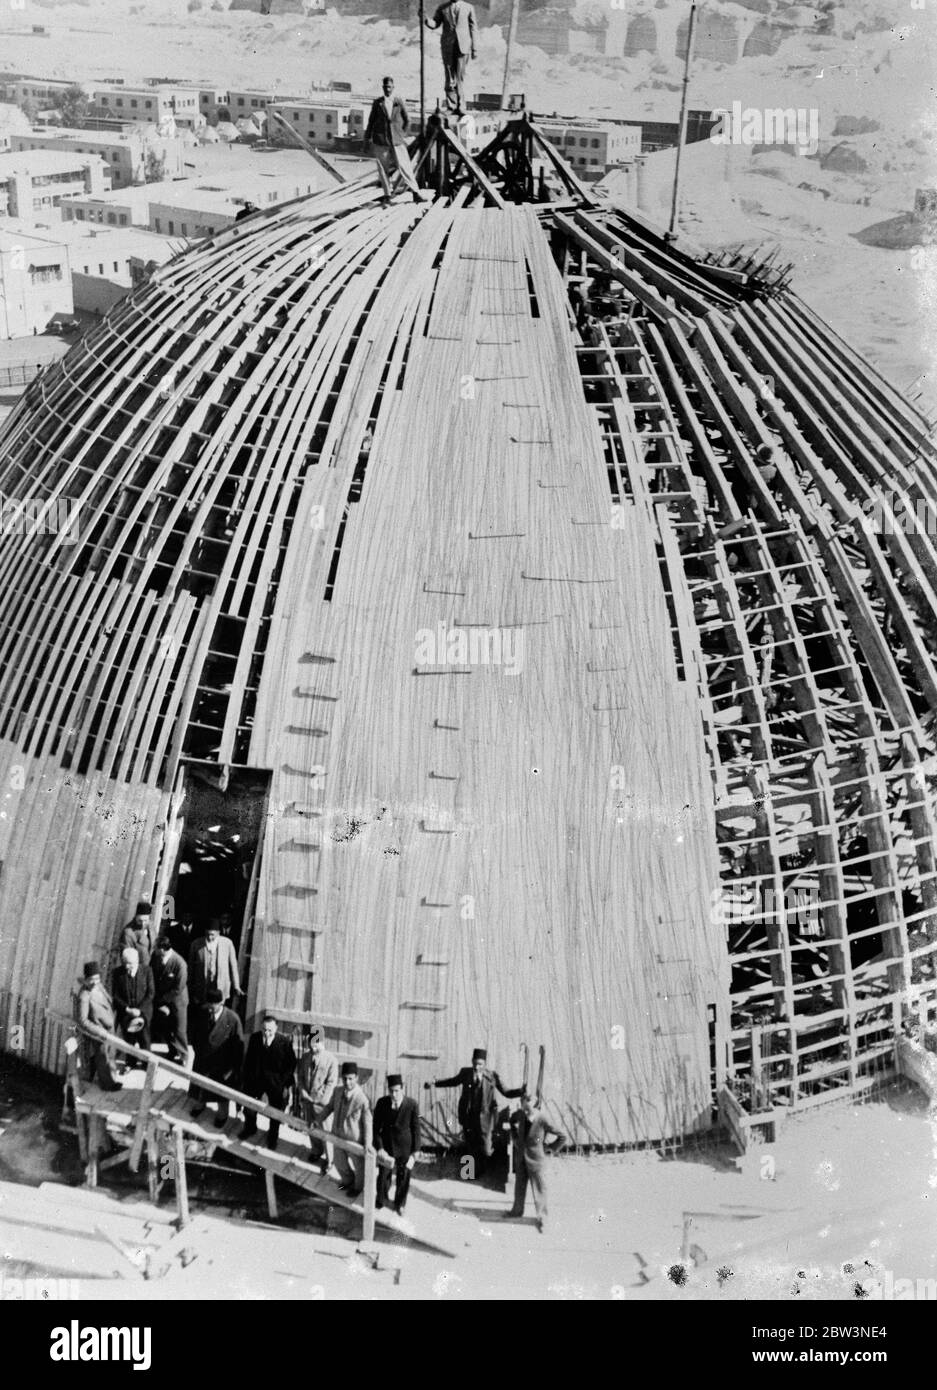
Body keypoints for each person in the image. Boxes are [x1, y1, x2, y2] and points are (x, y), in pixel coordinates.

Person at [429, 1048, 521, 1178]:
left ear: (485, 1064)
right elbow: (453, 1081)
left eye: (480, 1064)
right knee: (470, 1145)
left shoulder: (492, 1076)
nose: (477, 1067)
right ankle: (469, 1173)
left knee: (486, 1149)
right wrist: (435, 1082)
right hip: (469, 1116)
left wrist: (521, 1091)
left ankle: (482, 1169)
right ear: (472, 1062)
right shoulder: (465, 1073)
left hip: (486, 1118)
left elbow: (506, 1092)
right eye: (475, 1064)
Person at [502, 1089, 566, 1233]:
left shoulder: (542, 1119)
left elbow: (562, 1136)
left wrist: (551, 1148)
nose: (527, 1104)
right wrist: (515, 1138)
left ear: (535, 1101)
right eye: (525, 1100)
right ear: (522, 1102)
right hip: (521, 1159)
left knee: (540, 1190)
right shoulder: (520, 1115)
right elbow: (512, 1122)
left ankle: (542, 1219)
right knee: (519, 1187)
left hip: (537, 1160)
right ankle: (516, 1211)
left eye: (530, 1100)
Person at [190, 987, 244, 1128]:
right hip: (203, 1058)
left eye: (214, 1004)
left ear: (221, 1003)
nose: (211, 1007)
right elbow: (194, 1033)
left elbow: (238, 1046)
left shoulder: (232, 1019)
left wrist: (233, 1067)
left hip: (222, 1062)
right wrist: (198, 1051)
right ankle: (200, 1104)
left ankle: (222, 1114)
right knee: (200, 1085)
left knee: (221, 1092)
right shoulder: (202, 1013)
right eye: (209, 1004)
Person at [316, 1061, 372, 1196]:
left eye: (351, 1079)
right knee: (339, 1162)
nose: (347, 1082)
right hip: (338, 1136)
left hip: (354, 1140)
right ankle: (348, 1181)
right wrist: (317, 1120)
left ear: (356, 1078)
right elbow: (329, 1107)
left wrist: (368, 1143)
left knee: (360, 1167)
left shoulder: (362, 1099)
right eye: (345, 1078)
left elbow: (368, 1123)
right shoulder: (337, 1091)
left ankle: (358, 1188)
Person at [240, 1016, 296, 1150]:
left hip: (275, 1084)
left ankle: (272, 1137)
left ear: (276, 1028)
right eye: (264, 1029)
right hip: (256, 1081)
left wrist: (282, 1083)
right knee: (249, 1107)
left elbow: (291, 1064)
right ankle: (250, 1128)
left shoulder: (284, 1042)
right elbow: (249, 1060)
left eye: (270, 1030)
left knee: (275, 1113)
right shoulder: (255, 1038)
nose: (267, 1033)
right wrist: (247, 1079)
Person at [373, 1074, 421, 1215]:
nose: (394, 1094)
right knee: (383, 1176)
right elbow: (375, 1129)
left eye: (397, 1091)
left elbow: (416, 1128)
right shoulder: (382, 1103)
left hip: (405, 1149)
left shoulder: (412, 1105)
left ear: (402, 1089)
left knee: (404, 1177)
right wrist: (380, 1148)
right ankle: (381, 1199)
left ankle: (400, 1204)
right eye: (391, 1091)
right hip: (387, 1148)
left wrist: (416, 1149)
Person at [425, 0, 477, 116]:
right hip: (448, 47)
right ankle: (451, 106)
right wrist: (425, 18)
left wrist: (475, 48)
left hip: (463, 47)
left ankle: (461, 106)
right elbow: (434, 24)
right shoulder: (443, 8)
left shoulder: (468, 7)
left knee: (460, 77)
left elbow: (474, 28)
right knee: (449, 76)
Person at [296, 1027, 338, 1172]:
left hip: (322, 1105)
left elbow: (331, 1083)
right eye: (311, 1044)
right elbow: (300, 1077)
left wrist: (320, 1099)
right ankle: (316, 1150)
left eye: (316, 1043)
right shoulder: (305, 1058)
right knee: (311, 1127)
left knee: (325, 1132)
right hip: (307, 1101)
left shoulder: (331, 1060)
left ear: (322, 1042)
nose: (313, 1047)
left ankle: (330, 1159)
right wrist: (303, 1092)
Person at [76, 962, 121, 1090]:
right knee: (103, 1058)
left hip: (109, 1027)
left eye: (97, 978)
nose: (95, 982)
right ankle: (107, 1084)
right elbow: (83, 1021)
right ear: (86, 979)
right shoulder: (84, 996)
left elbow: (108, 1000)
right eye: (92, 979)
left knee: (111, 1054)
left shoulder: (99, 986)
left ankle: (111, 1079)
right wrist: (100, 1032)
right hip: (100, 1031)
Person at [364, 76, 414, 184]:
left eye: (390, 87)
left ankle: (415, 191)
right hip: (381, 141)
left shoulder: (398, 102)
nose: (387, 89)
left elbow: (408, 120)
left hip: (397, 141)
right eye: (386, 87)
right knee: (383, 169)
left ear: (393, 88)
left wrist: (401, 134)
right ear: (383, 88)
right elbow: (371, 122)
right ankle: (387, 195)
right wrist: (367, 138)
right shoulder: (377, 103)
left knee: (405, 166)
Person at [151, 934, 189, 1065]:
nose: (154, 950)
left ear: (162, 949)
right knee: (165, 1027)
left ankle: (183, 1056)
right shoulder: (156, 957)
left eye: (156, 948)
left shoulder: (180, 963)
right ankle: (172, 1051)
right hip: (162, 999)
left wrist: (163, 1000)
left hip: (177, 1000)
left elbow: (179, 987)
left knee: (179, 1028)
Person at [111, 945, 154, 1053]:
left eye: (130, 964)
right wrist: (127, 1009)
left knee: (145, 1040)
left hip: (143, 1012)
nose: (127, 966)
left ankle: (146, 1064)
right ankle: (130, 1063)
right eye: (125, 963)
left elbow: (150, 993)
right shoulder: (117, 973)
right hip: (126, 1014)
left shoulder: (147, 971)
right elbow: (115, 995)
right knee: (129, 1040)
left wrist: (139, 1010)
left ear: (137, 961)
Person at [188, 921, 241, 1009]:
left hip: (220, 984)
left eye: (212, 935)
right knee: (203, 1010)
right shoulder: (196, 944)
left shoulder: (227, 943)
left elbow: (233, 966)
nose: (210, 937)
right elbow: (190, 967)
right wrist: (189, 986)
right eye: (207, 934)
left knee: (219, 1009)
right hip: (202, 985)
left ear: (218, 933)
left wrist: (236, 985)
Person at [118, 900, 154, 970]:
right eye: (140, 920)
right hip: (138, 971)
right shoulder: (128, 933)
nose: (143, 924)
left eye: (145, 920)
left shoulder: (151, 925)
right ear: (136, 916)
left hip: (151, 970)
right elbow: (128, 959)